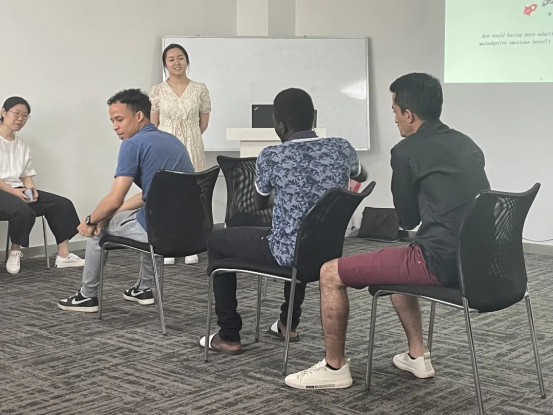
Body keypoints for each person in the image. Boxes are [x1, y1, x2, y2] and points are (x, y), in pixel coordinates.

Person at [285, 73, 491, 390]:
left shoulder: (405, 152)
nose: (394, 119)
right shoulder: (467, 144)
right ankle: (417, 355)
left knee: (330, 272)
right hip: (479, 263)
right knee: (397, 263)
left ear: (408, 114)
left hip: (438, 262)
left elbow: (407, 221)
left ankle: (334, 367)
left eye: (394, 111)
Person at [199, 88, 368, 354]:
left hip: (287, 253)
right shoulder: (342, 147)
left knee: (216, 241)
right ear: (313, 118)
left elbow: (260, 204)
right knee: (301, 233)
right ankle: (287, 324)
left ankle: (228, 334)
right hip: (326, 251)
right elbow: (361, 175)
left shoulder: (272, 156)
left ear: (280, 126)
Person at [57, 89, 193, 312]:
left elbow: (114, 199)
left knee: (98, 232)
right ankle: (143, 288)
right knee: (138, 216)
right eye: (112, 121)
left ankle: (87, 296)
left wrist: (92, 220)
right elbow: (150, 194)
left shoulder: (132, 144)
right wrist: (111, 213)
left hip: (158, 232)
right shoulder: (172, 141)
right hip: (190, 232)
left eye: (119, 119)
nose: (115, 126)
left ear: (139, 116)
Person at [0, 96, 85, 274]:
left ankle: (63, 255)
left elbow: (26, 174)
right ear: (3, 112)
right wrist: (16, 193)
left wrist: (31, 188)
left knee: (62, 204)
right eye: (16, 113)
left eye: (25, 116)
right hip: (3, 191)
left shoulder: (22, 145)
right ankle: (15, 250)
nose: (20, 119)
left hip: (17, 189)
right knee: (23, 211)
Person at [150, 44, 211, 265]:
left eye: (180, 58)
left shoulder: (199, 89)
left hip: (193, 145)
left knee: (191, 195)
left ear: (186, 60)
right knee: (168, 195)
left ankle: (190, 245)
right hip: (166, 145)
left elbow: (203, 123)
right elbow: (154, 124)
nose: (176, 62)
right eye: (171, 59)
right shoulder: (157, 90)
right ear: (165, 64)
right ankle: (169, 244)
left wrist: (189, 136)